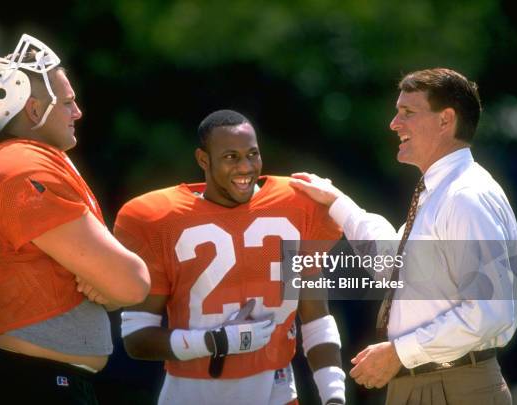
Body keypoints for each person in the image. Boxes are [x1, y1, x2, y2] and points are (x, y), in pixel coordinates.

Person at [0, 31, 150, 404]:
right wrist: (113, 282)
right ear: (32, 110)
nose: (77, 112)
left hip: (26, 377)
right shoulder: (20, 168)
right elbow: (132, 284)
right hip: (39, 385)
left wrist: (107, 283)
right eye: (66, 102)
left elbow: (114, 288)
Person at [290, 68, 517, 404]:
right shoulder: (443, 190)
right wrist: (338, 203)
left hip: (453, 386)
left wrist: (398, 353)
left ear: (446, 121)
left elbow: (490, 311)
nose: (394, 124)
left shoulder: (466, 195)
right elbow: (393, 263)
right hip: (430, 382)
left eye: (407, 113)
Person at [114, 110, 347, 404]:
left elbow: (316, 317)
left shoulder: (293, 209)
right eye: (231, 157)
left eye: (253, 154)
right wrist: (215, 341)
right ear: (203, 159)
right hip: (191, 393)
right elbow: (137, 337)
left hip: (274, 390)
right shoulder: (162, 219)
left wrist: (333, 395)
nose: (245, 167)